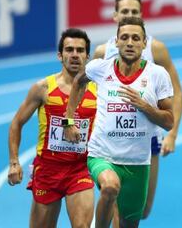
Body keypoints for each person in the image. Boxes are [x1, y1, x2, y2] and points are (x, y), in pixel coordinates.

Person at [64, 17, 174, 228]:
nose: (130, 42)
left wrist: (145, 106)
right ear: (116, 42)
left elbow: (169, 122)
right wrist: (69, 120)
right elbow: (78, 81)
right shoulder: (100, 68)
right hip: (102, 155)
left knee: (128, 223)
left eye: (135, 38)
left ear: (144, 43)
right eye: (124, 37)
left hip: (138, 163)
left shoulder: (157, 75)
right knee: (110, 187)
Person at [93, 0, 182, 222]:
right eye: (124, 11)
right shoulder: (103, 53)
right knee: (112, 193)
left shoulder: (156, 49)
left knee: (142, 211)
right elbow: (92, 96)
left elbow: (177, 92)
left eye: (133, 11)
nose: (128, 15)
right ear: (115, 16)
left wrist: (172, 135)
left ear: (141, 16)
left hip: (147, 139)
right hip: (111, 142)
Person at [7, 28, 96, 228]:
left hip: (80, 169)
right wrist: (14, 162)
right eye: (69, 49)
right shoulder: (43, 88)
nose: (74, 55)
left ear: (87, 56)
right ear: (60, 55)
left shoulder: (97, 89)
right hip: (48, 170)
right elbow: (16, 123)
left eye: (80, 50)